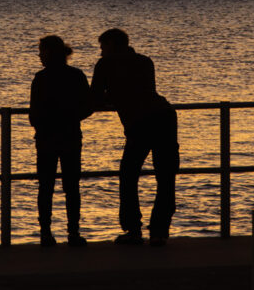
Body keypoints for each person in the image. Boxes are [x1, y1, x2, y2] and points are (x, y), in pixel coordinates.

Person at [90, 28, 179, 246]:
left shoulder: (106, 64)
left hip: (139, 123)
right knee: (165, 177)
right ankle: (159, 232)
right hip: (164, 116)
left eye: (102, 47)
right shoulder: (145, 61)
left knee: (128, 175)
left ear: (110, 44)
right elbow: (142, 90)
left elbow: (95, 98)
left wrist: (109, 97)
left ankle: (133, 229)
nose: (100, 52)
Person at [28, 34, 93, 247]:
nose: (39, 56)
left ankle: (45, 233)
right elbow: (87, 106)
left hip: (47, 138)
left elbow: (34, 115)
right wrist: (71, 117)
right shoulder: (76, 76)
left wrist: (45, 123)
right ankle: (73, 233)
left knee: (46, 186)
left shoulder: (41, 78)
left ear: (50, 53)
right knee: (71, 186)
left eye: (41, 51)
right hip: (70, 135)